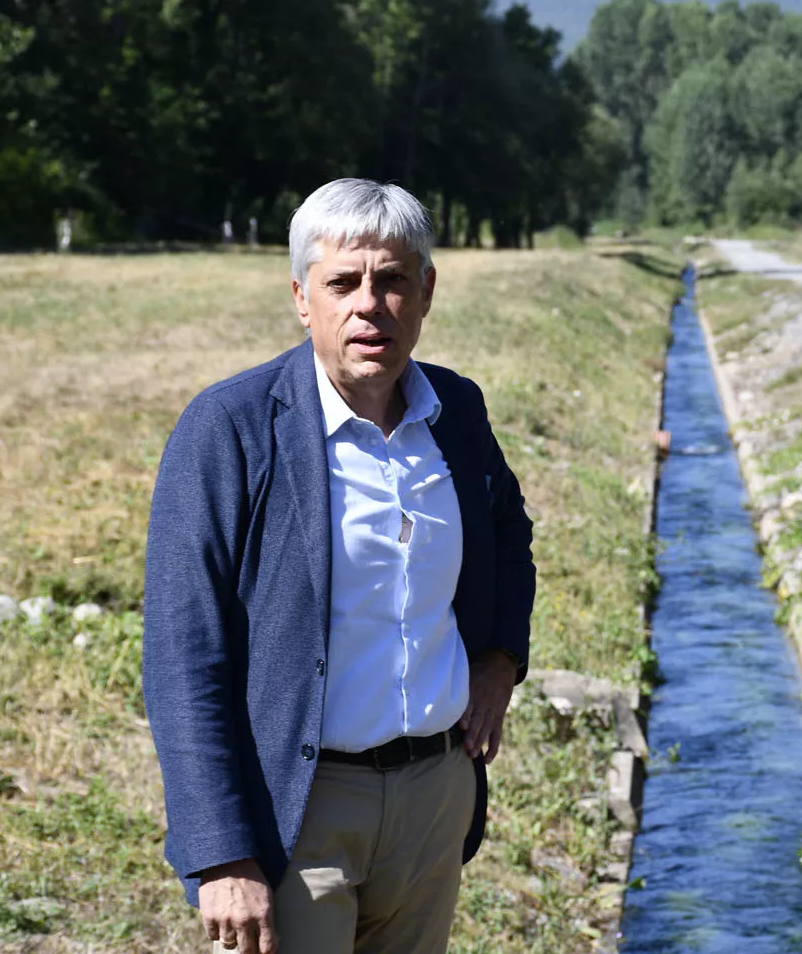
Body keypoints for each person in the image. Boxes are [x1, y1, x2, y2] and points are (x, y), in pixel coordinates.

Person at [143, 178, 534, 954]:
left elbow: (507, 530)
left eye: (392, 281)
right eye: (343, 283)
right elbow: (183, 655)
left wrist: (499, 657)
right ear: (301, 296)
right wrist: (222, 852)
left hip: (433, 800)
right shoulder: (230, 429)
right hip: (297, 813)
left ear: (425, 291)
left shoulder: (455, 411)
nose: (369, 305)